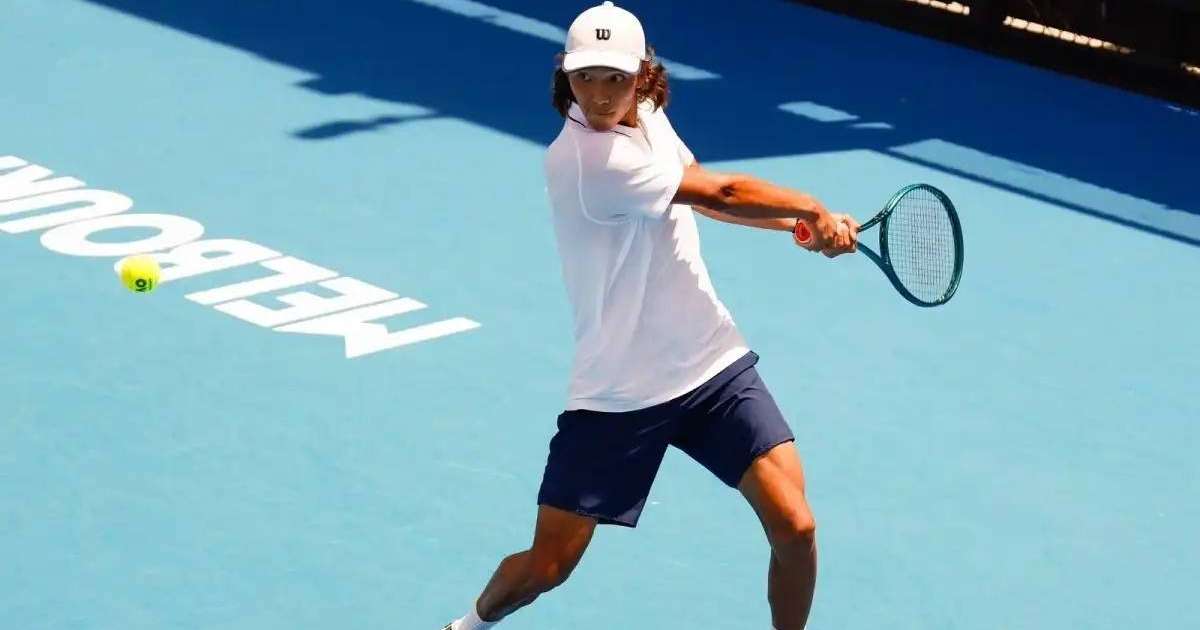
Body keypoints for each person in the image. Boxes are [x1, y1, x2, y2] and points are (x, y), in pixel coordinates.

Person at [443, 2, 858, 629]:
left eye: (615, 77)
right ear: (567, 75)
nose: (602, 93)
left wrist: (794, 226)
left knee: (796, 526)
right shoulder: (586, 162)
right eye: (587, 77)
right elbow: (720, 191)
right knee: (547, 567)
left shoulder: (650, 119)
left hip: (709, 359)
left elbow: (696, 190)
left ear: (643, 74)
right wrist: (812, 205)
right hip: (622, 390)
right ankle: (465, 627)